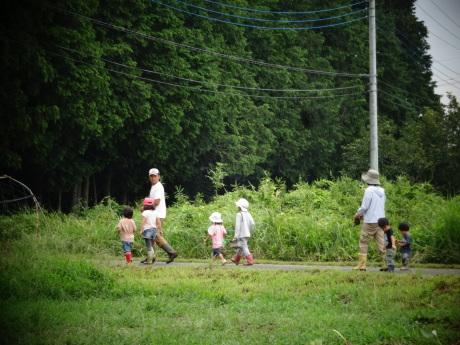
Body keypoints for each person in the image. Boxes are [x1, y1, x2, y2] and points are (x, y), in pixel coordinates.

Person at [353, 169, 386, 271]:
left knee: (363, 242)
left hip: (370, 221)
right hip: (381, 220)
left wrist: (358, 214)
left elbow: (365, 206)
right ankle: (386, 264)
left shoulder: (368, 191)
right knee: (381, 242)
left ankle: (362, 265)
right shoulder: (382, 191)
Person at [148, 168, 178, 263]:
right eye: (151, 176)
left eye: (155, 176)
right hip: (155, 214)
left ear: (159, 176)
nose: (153, 178)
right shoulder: (154, 187)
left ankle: (171, 252)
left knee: (155, 235)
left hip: (158, 214)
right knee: (151, 236)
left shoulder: (158, 187)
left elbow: (156, 201)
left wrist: (145, 206)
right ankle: (150, 256)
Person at [231, 198, 255, 266]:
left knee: (244, 246)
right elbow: (252, 223)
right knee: (241, 247)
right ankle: (237, 260)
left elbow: (237, 226)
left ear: (240, 207)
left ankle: (250, 260)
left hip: (241, 234)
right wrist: (248, 230)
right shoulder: (248, 214)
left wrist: (236, 236)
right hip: (247, 234)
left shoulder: (239, 214)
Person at [139, 198, 161, 265]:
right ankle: (152, 257)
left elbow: (143, 222)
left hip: (147, 230)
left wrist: (141, 230)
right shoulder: (156, 212)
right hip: (154, 230)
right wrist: (159, 230)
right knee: (151, 245)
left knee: (148, 246)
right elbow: (159, 223)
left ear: (145, 205)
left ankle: (150, 260)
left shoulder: (145, 212)